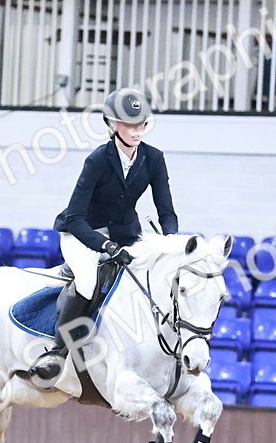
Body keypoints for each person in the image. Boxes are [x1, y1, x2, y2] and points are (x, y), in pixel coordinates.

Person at [26, 87, 179, 387]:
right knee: (88, 281)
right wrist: (105, 245)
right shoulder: (97, 161)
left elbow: (166, 211)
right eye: (130, 124)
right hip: (83, 234)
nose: (137, 131)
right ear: (112, 125)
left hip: (126, 234)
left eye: (142, 124)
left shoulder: (154, 159)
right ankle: (57, 352)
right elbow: (74, 217)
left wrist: (170, 241)